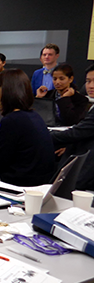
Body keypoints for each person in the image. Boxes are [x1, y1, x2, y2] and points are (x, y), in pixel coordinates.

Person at [0, 69, 56, 186]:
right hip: (39, 179)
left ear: (2, 91)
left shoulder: (11, 120)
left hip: (18, 180)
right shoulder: (34, 116)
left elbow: (0, 163)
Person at [50, 63, 94, 191]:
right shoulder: (49, 94)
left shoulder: (80, 100)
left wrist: (44, 136)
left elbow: (78, 131)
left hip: (86, 170)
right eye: (88, 81)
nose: (90, 86)